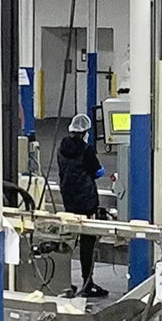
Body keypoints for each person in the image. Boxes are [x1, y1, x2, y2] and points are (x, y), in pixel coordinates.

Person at [57, 113, 110, 298]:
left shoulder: (61, 148)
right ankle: (87, 282)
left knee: (67, 240)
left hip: (69, 200)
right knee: (87, 242)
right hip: (86, 202)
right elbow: (98, 172)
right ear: (85, 132)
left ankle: (61, 280)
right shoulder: (86, 150)